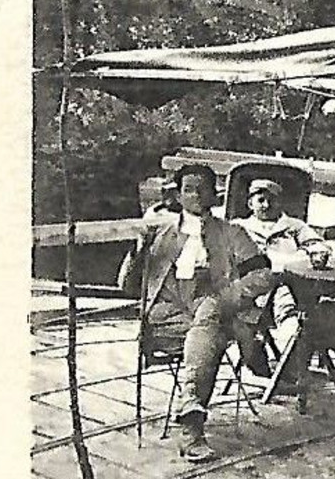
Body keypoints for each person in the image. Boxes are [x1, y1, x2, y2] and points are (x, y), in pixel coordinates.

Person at [118, 164, 275, 463]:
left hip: (212, 305)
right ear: (178, 194)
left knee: (211, 314)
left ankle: (192, 424)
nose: (197, 195)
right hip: (167, 314)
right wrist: (138, 249)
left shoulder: (231, 233)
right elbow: (126, 286)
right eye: (189, 188)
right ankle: (191, 417)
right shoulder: (159, 232)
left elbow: (263, 275)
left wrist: (228, 297)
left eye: (204, 188)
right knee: (211, 326)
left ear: (214, 194)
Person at [233, 178, 331, 376]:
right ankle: (264, 364)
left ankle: (291, 363)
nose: (267, 205)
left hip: (286, 285)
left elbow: (319, 246)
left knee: (289, 310)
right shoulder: (238, 227)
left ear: (281, 203)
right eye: (261, 200)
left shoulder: (294, 226)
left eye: (272, 200)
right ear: (250, 203)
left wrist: (312, 254)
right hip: (249, 290)